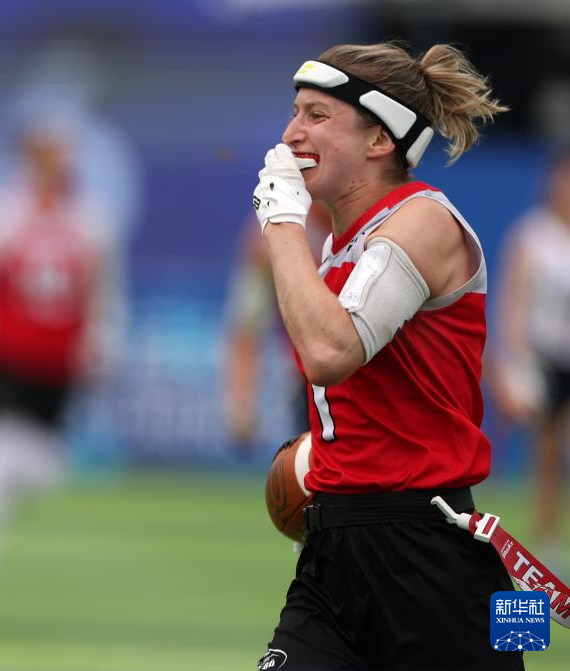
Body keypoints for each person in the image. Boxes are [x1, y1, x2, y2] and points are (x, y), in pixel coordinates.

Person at [249, 43, 518, 670]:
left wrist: (282, 222)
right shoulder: (341, 247)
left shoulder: (423, 219)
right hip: (336, 550)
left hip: (431, 555)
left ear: (379, 138)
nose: (291, 134)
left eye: (317, 115)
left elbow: (330, 351)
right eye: (295, 112)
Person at [0, 117, 122, 616]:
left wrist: (103, 346)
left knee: (45, 469)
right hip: (7, 359)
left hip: (59, 370)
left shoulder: (92, 219)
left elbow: (104, 295)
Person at [491, 148, 570, 571]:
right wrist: (517, 362)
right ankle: (547, 538)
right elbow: (513, 302)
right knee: (548, 449)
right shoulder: (533, 235)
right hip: (544, 356)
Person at [222, 205, 331, 459]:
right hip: (309, 386)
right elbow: (247, 325)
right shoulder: (272, 233)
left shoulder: (377, 219)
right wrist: (241, 402)